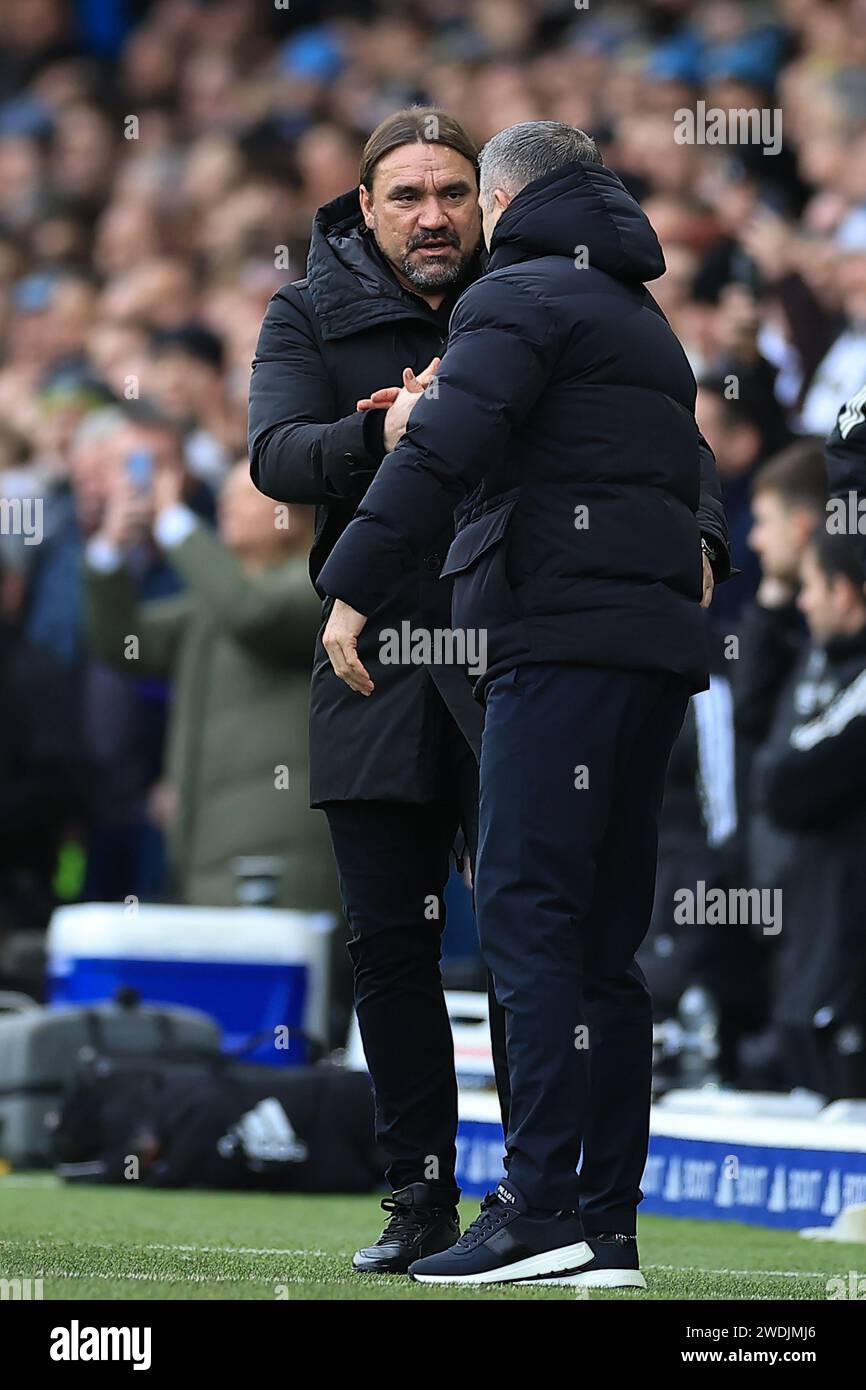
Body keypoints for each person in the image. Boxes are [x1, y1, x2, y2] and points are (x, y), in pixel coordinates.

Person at [319, 121, 730, 1287]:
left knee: (525, 917)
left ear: (503, 199)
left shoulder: (518, 297)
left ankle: (540, 1204)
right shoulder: (637, 314)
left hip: (554, 640)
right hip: (647, 651)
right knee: (603, 945)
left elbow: (440, 452)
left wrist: (350, 589)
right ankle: (604, 1226)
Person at [248, 108, 486, 1273]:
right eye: (408, 196)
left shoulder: (539, 286)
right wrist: (376, 430)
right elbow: (275, 456)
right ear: (365, 204)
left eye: (453, 191)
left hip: (517, 643)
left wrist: (698, 531)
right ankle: (419, 1198)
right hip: (372, 650)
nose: (433, 215)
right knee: (391, 946)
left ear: (485, 197)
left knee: (552, 933)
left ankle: (563, 1201)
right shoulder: (308, 307)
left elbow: (656, 423)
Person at [84, 437, 339, 920]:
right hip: (207, 853)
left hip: (284, 853)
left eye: (246, 494)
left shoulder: (320, 583)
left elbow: (252, 613)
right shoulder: (215, 601)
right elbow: (122, 643)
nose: (227, 503)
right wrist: (110, 553)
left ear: (294, 510)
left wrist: (174, 524)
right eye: (226, 493)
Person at [753, 531, 866, 1098]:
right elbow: (757, 730)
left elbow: (785, 785)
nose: (803, 602)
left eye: (811, 588)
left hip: (846, 944)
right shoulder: (819, 656)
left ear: (844, 593)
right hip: (813, 927)